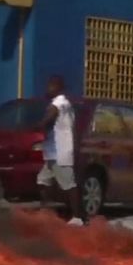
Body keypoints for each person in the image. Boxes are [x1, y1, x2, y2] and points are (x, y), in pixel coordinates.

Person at [36, 75, 83, 225]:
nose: (47, 89)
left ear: (58, 87)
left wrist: (39, 126)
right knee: (42, 180)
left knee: (69, 185)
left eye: (50, 86)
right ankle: (46, 211)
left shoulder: (59, 103)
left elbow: (51, 116)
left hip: (59, 152)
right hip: (53, 151)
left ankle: (77, 217)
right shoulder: (65, 104)